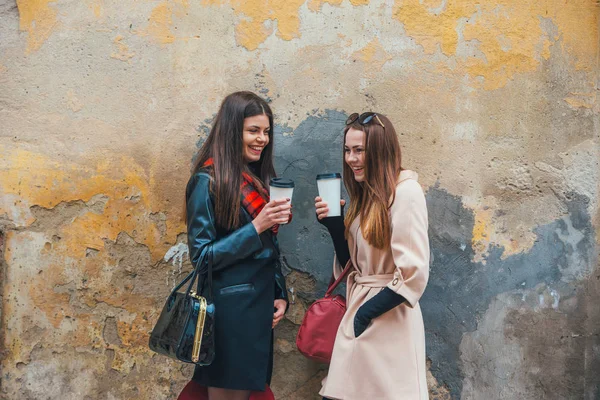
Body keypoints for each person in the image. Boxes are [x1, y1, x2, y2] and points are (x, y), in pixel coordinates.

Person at [181, 91, 290, 400]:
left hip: (257, 314)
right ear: (232, 131)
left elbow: (268, 249)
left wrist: (280, 294)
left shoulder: (254, 180)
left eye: (266, 131)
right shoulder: (206, 181)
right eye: (253, 130)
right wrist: (257, 226)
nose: (263, 139)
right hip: (228, 319)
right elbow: (201, 257)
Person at [315, 112, 430, 400]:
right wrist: (334, 225)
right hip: (361, 312)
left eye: (359, 150)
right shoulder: (367, 198)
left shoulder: (406, 193)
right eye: (347, 150)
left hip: (390, 319)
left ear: (379, 150)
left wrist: (362, 316)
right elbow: (353, 266)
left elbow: (413, 274)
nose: (351, 158)